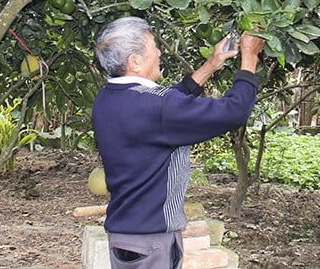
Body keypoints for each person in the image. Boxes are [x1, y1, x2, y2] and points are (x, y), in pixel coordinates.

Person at [91, 16, 265, 269]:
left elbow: (166, 103)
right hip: (150, 241)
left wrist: (211, 65)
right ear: (135, 61)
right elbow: (234, 111)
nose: (159, 52)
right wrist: (250, 58)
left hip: (129, 235)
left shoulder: (109, 97)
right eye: (153, 46)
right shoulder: (155, 107)